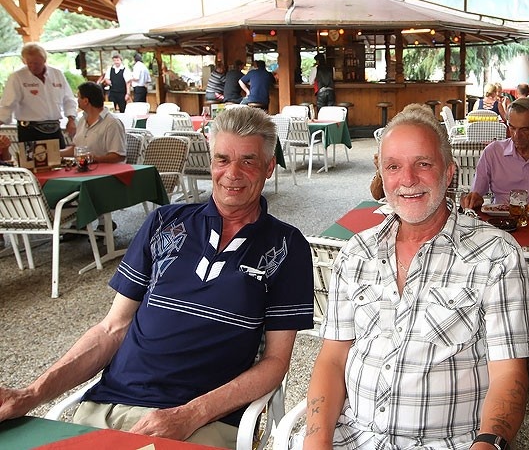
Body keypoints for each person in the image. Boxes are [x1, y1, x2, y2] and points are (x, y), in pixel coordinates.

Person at [0, 106, 314, 449]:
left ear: (269, 167)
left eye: (248, 161)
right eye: (222, 159)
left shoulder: (286, 246)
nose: (232, 173)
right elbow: (112, 328)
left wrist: (191, 414)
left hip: (202, 421)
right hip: (109, 405)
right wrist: (30, 394)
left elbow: (275, 362)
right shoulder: (164, 222)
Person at [302, 103, 529, 450]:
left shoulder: (495, 255)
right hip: (353, 436)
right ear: (382, 176)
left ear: (449, 172)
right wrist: (317, 441)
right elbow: (333, 358)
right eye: (393, 166)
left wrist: (489, 443)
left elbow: (509, 373)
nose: (408, 180)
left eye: (423, 164)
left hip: (449, 443)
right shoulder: (355, 253)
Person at [0, 42, 78, 147]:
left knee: (60, 157)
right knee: (31, 158)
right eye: (29, 63)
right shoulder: (17, 77)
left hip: (54, 129)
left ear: (44, 60)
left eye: (36, 63)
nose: (33, 66)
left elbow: (68, 99)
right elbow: (7, 104)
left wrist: (71, 119)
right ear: (24, 61)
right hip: (29, 130)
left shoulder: (57, 74)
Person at [60, 82, 127, 163]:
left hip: (105, 169)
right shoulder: (82, 120)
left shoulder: (112, 123)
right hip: (84, 167)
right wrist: (55, 154)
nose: (77, 100)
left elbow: (119, 156)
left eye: (78, 97)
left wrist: (93, 159)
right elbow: (75, 149)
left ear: (86, 101)